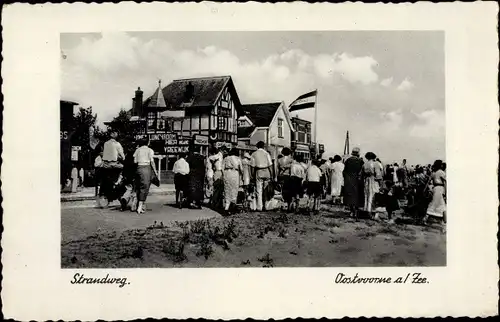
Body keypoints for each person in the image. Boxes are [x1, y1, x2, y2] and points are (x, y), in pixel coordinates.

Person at [98, 131, 125, 208]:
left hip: (106, 165)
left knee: (104, 179)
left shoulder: (106, 143)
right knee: (123, 169)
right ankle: (119, 182)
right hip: (114, 165)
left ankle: (105, 195)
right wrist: (120, 157)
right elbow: (123, 157)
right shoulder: (117, 144)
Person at [132, 138, 156, 214]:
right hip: (146, 168)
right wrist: (155, 172)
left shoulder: (137, 150)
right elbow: (152, 162)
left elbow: (135, 161)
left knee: (138, 186)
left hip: (138, 168)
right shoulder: (150, 150)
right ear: (148, 143)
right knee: (145, 187)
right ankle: (140, 206)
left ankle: (138, 203)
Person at [250, 141, 274, 212]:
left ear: (257, 146)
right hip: (266, 171)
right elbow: (270, 165)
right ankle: (266, 206)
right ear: (264, 146)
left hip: (259, 171)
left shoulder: (254, 154)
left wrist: (252, 174)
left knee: (259, 190)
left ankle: (259, 207)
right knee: (266, 189)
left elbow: (252, 166)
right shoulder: (266, 153)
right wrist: (272, 174)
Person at [424, 160, 447, 228]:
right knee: (441, 205)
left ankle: (426, 218)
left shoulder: (434, 173)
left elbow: (428, 182)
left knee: (435, 204)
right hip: (440, 188)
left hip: (435, 188)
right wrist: (445, 192)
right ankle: (444, 222)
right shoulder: (442, 172)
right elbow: (445, 183)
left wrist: (425, 190)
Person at [343, 147, 364, 218]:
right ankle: (356, 211)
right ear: (358, 154)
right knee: (357, 195)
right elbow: (362, 171)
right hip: (357, 180)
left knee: (350, 195)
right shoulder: (360, 161)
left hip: (348, 179)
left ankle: (351, 211)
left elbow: (344, 171)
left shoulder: (348, 160)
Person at [222, 148, 243, 215]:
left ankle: (226, 208)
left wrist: (224, 175)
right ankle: (233, 207)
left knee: (227, 190)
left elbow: (222, 168)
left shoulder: (226, 158)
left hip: (227, 173)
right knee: (234, 190)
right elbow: (241, 169)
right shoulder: (238, 159)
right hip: (234, 173)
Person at [362, 152, 382, 218]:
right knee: (374, 195)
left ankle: (367, 210)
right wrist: (380, 183)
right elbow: (378, 175)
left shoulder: (365, 164)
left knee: (367, 195)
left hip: (367, 180)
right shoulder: (376, 164)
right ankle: (372, 212)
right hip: (374, 180)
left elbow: (362, 174)